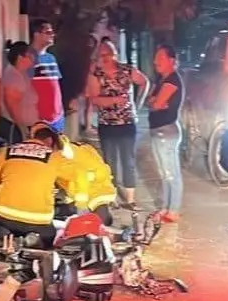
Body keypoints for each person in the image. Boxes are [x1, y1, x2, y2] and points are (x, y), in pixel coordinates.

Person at [0, 122, 81, 246]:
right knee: (50, 237)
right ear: (50, 140)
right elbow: (75, 185)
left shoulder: (6, 151)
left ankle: (2, 234)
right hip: (39, 222)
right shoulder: (56, 157)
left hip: (4, 218)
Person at [86, 40, 149, 211]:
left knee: (128, 160)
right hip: (107, 124)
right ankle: (111, 197)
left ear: (115, 54)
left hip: (128, 123)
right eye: (101, 55)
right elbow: (94, 99)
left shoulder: (126, 70)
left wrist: (138, 102)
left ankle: (130, 199)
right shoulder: (96, 74)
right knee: (110, 162)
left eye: (108, 54)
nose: (104, 58)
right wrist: (113, 100)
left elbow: (144, 82)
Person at [147, 44, 185, 224]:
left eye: (160, 58)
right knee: (164, 173)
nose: (156, 62)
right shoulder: (162, 81)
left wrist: (156, 102)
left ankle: (174, 210)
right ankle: (166, 208)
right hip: (159, 130)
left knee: (171, 173)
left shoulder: (172, 80)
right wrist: (156, 102)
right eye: (156, 58)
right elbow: (151, 102)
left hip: (166, 131)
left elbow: (155, 104)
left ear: (171, 61)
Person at [56, 135, 117, 226]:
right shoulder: (88, 188)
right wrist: (80, 205)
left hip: (81, 151)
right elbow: (80, 176)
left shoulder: (106, 189)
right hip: (70, 152)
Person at [29, 19, 65, 134]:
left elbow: (56, 87)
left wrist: (60, 112)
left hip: (57, 119)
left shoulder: (51, 58)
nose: (52, 35)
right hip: (39, 120)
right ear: (36, 34)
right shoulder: (27, 59)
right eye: (48, 32)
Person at [0, 41, 38, 144]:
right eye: (30, 56)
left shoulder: (22, 74)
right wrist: (23, 129)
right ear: (21, 57)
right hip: (16, 129)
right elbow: (12, 105)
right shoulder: (13, 76)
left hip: (26, 127)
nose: (33, 59)